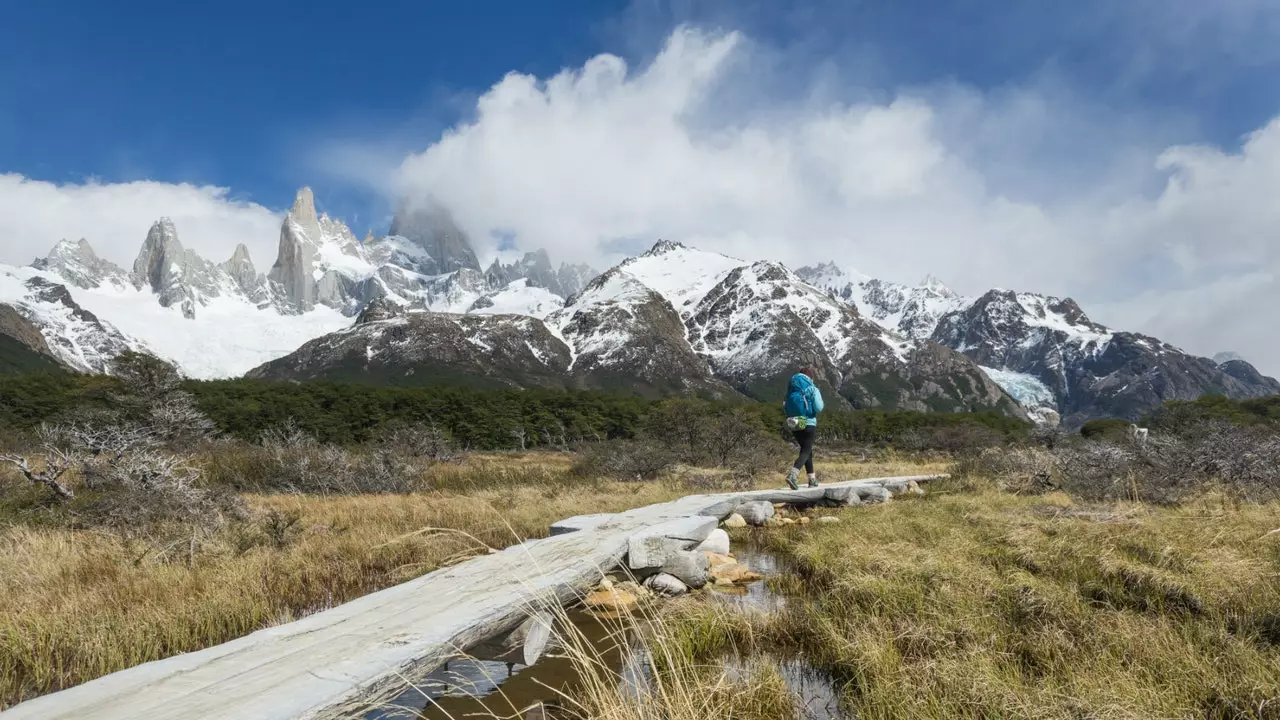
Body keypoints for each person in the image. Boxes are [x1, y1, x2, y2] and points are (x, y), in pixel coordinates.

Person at [782, 367, 824, 489]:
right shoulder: (812, 388)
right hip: (808, 422)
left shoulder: (791, 389)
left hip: (794, 423)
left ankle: (812, 480)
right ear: (811, 378)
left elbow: (785, 406)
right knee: (806, 450)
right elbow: (819, 407)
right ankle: (793, 475)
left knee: (806, 450)